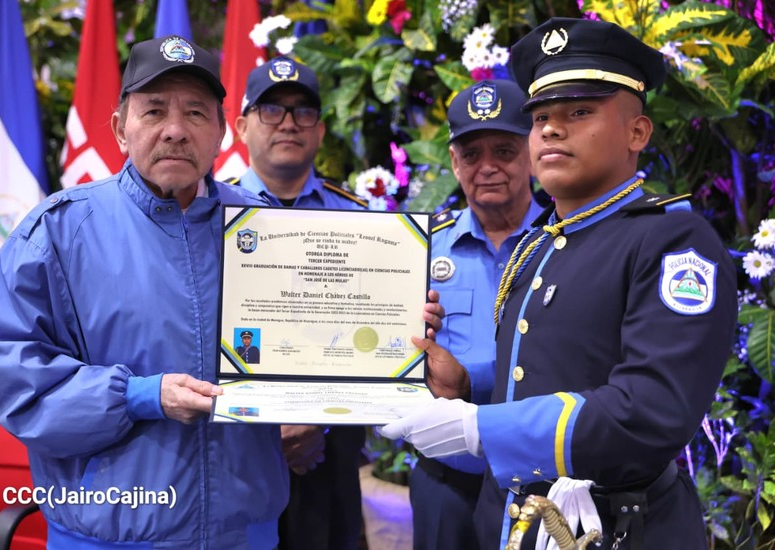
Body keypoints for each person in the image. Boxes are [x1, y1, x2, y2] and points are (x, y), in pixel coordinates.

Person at [382, 17, 738, 550]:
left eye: (579, 112)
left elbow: (652, 409)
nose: (551, 129)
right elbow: (549, 373)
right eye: (541, 117)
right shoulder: (538, 246)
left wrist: (480, 428)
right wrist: (467, 392)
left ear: (637, 133)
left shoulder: (674, 242)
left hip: (616, 529)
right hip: (513, 523)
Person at [0, 35, 287, 548]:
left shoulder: (269, 229)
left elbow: (311, 347)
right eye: (154, 111)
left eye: (196, 113)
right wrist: (138, 395)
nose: (175, 130)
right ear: (121, 129)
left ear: (222, 132)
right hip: (108, 533)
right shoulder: (58, 232)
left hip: (244, 534)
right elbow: (18, 381)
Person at [234, 56, 367, 550]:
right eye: (271, 109)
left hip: (328, 446)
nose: (289, 122)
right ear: (242, 126)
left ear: (320, 130)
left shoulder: (361, 220)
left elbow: (368, 334)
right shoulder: (209, 212)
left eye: (303, 111)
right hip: (234, 444)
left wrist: (317, 419)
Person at [410, 79, 543, 550]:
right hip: (446, 479)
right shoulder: (421, 248)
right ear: (453, 162)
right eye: (471, 155)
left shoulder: (563, 242)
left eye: (504, 151)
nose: (487, 167)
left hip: (539, 480)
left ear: (530, 153)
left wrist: (471, 382)